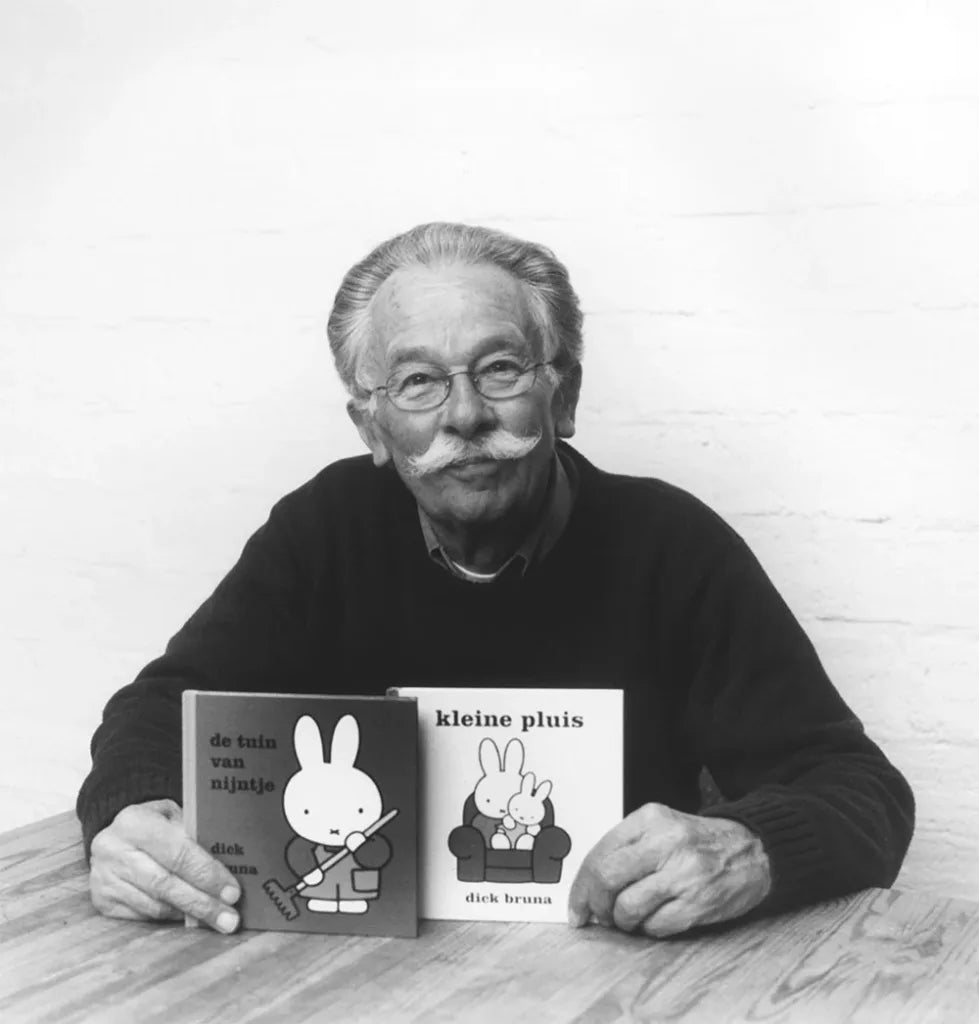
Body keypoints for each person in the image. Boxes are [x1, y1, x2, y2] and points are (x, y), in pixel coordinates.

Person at [77, 222, 914, 938]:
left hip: (612, 981)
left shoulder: (671, 545)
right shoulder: (324, 528)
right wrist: (134, 814)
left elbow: (860, 790)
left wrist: (751, 847)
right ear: (372, 426)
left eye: (501, 369)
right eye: (417, 382)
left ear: (565, 393)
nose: (464, 415)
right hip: (357, 978)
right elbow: (161, 709)